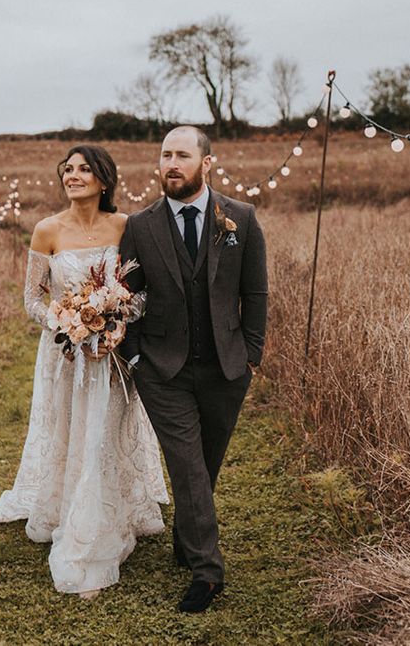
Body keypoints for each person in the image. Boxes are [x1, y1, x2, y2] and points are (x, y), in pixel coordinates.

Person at [0, 145, 169, 599]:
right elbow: (33, 298)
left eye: (84, 169)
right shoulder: (47, 230)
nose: (73, 175)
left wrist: (117, 318)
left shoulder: (126, 227)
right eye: (67, 169)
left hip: (113, 355)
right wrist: (68, 322)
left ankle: (105, 514)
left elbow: (143, 292)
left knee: (105, 433)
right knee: (70, 430)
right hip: (65, 357)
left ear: (104, 179)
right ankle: (66, 511)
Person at [119, 126, 268, 613]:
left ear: (207, 163)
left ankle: (188, 537)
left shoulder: (240, 219)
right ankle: (208, 571)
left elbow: (256, 293)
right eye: (165, 155)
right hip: (163, 370)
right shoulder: (141, 225)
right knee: (186, 464)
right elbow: (128, 296)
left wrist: (250, 353)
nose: (172, 164)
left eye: (182, 155)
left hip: (227, 366)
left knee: (205, 465)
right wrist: (135, 355)